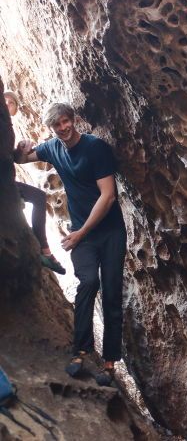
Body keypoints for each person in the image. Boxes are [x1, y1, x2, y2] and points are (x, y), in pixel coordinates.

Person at [14, 103, 127, 387]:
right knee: (88, 283)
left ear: (73, 120)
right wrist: (20, 148)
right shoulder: (53, 148)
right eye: (57, 126)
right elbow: (22, 157)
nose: (63, 128)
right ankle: (80, 351)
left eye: (66, 122)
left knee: (112, 290)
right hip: (82, 235)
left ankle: (110, 363)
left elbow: (109, 196)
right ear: (52, 129)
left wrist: (80, 233)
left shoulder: (95, 148)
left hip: (110, 232)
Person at [4, 90, 66, 275]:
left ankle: (44, 248)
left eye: (12, 103)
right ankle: (45, 250)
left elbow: (11, 158)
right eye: (4, 101)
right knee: (37, 198)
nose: (7, 104)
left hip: (6, 180)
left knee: (39, 197)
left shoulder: (8, 129)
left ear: (16, 110)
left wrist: (21, 151)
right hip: (3, 182)